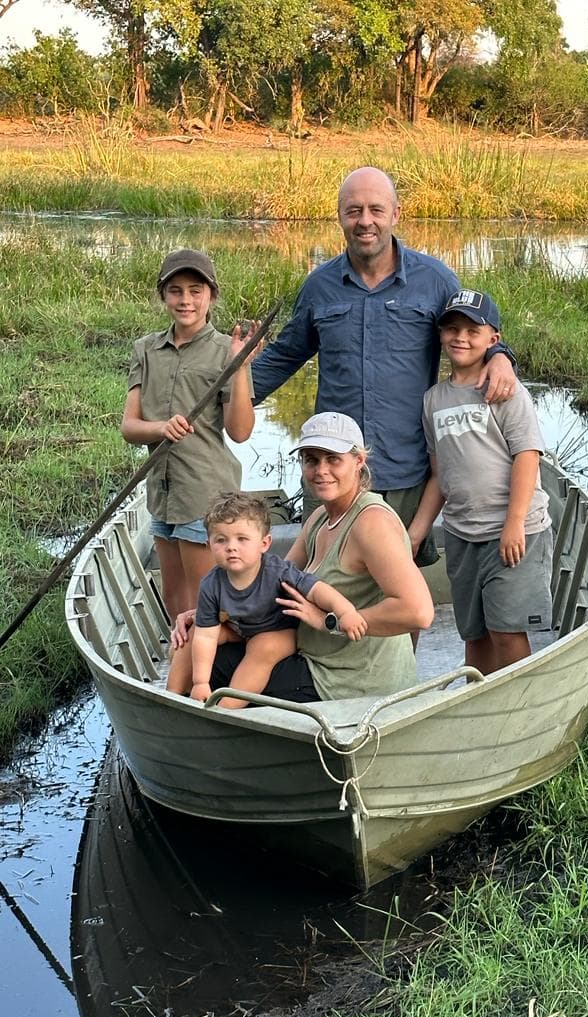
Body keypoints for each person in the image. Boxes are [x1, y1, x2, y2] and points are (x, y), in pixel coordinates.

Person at [249, 166, 517, 563]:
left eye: (376, 209)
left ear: (396, 213)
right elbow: (286, 355)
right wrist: (225, 397)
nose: (365, 221)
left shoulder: (435, 280)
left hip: (406, 468)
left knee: (401, 590)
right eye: (353, 211)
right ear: (340, 216)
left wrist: (500, 356)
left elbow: (471, 332)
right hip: (334, 469)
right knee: (325, 578)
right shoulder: (319, 286)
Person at [171, 412, 434, 703]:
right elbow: (273, 579)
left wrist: (329, 621)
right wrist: (214, 610)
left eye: (333, 459)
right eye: (311, 459)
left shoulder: (371, 523)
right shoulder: (323, 516)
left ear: (359, 461)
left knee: (210, 665)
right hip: (315, 657)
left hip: (347, 681)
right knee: (196, 639)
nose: (321, 470)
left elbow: (418, 612)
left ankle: (203, 727)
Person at [408, 289, 553, 673]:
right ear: (440, 335)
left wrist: (514, 523)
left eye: (472, 331)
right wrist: (417, 532)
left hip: (514, 531)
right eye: (452, 328)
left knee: (506, 631)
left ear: (493, 339)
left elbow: (527, 456)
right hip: (461, 534)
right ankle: (479, 702)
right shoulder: (433, 400)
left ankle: (519, 703)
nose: (461, 338)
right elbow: (440, 475)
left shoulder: (505, 390)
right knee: (474, 634)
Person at [120, 249, 259, 621]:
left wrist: (240, 367)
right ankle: (182, 663)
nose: (186, 300)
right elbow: (129, 426)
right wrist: (160, 428)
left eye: (196, 291)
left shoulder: (224, 352)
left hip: (204, 492)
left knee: (202, 603)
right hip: (162, 492)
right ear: (163, 295)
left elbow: (241, 431)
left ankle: (202, 675)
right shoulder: (145, 350)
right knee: (173, 596)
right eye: (176, 291)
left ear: (211, 296)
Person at [166, 491, 367, 709]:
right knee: (193, 634)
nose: (231, 547)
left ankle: (227, 707)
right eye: (221, 540)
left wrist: (346, 611)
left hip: (279, 632)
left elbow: (317, 590)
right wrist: (201, 681)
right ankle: (171, 699)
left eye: (242, 539)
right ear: (209, 544)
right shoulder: (211, 584)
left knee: (264, 647)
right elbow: (206, 637)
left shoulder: (278, 572)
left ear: (264, 543)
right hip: (241, 631)